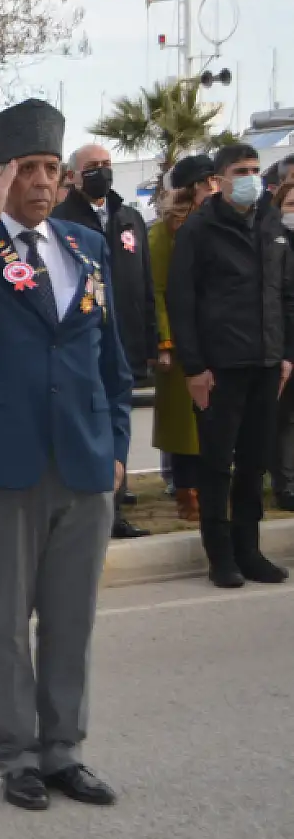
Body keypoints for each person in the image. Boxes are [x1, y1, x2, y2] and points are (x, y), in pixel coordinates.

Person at [0, 99, 134, 812]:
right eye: (27, 169)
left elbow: (110, 356)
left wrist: (117, 445)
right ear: (4, 174)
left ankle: (65, 750)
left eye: (50, 169)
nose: (41, 182)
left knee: (72, 619)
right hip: (2, 461)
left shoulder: (84, 244)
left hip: (84, 459)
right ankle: (18, 755)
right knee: (6, 621)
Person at [166, 143, 294, 588]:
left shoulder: (271, 222)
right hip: (219, 367)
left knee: (255, 462)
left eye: (256, 170)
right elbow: (182, 301)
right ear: (218, 179)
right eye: (241, 171)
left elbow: (286, 293)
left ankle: (249, 550)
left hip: (267, 362)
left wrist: (286, 354)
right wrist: (194, 367)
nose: (251, 178)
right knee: (217, 464)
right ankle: (220, 556)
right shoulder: (198, 229)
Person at [54, 143, 159, 540]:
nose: (101, 171)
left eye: (106, 164)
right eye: (92, 166)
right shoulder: (61, 221)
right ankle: (84, 509)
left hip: (125, 338)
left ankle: (116, 505)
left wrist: (152, 340)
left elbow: (145, 283)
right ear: (73, 176)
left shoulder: (128, 218)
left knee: (118, 422)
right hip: (85, 340)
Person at [149, 155, 217, 523]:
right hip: (180, 339)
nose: (214, 187)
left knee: (215, 419)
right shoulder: (165, 232)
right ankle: (186, 491)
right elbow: (157, 290)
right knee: (183, 423)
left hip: (219, 336)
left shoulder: (222, 222)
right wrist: (164, 340)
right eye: (208, 181)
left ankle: (213, 488)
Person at [270, 177, 294, 512]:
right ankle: (285, 485)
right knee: (285, 419)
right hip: (283, 341)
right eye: (291, 205)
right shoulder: (274, 243)